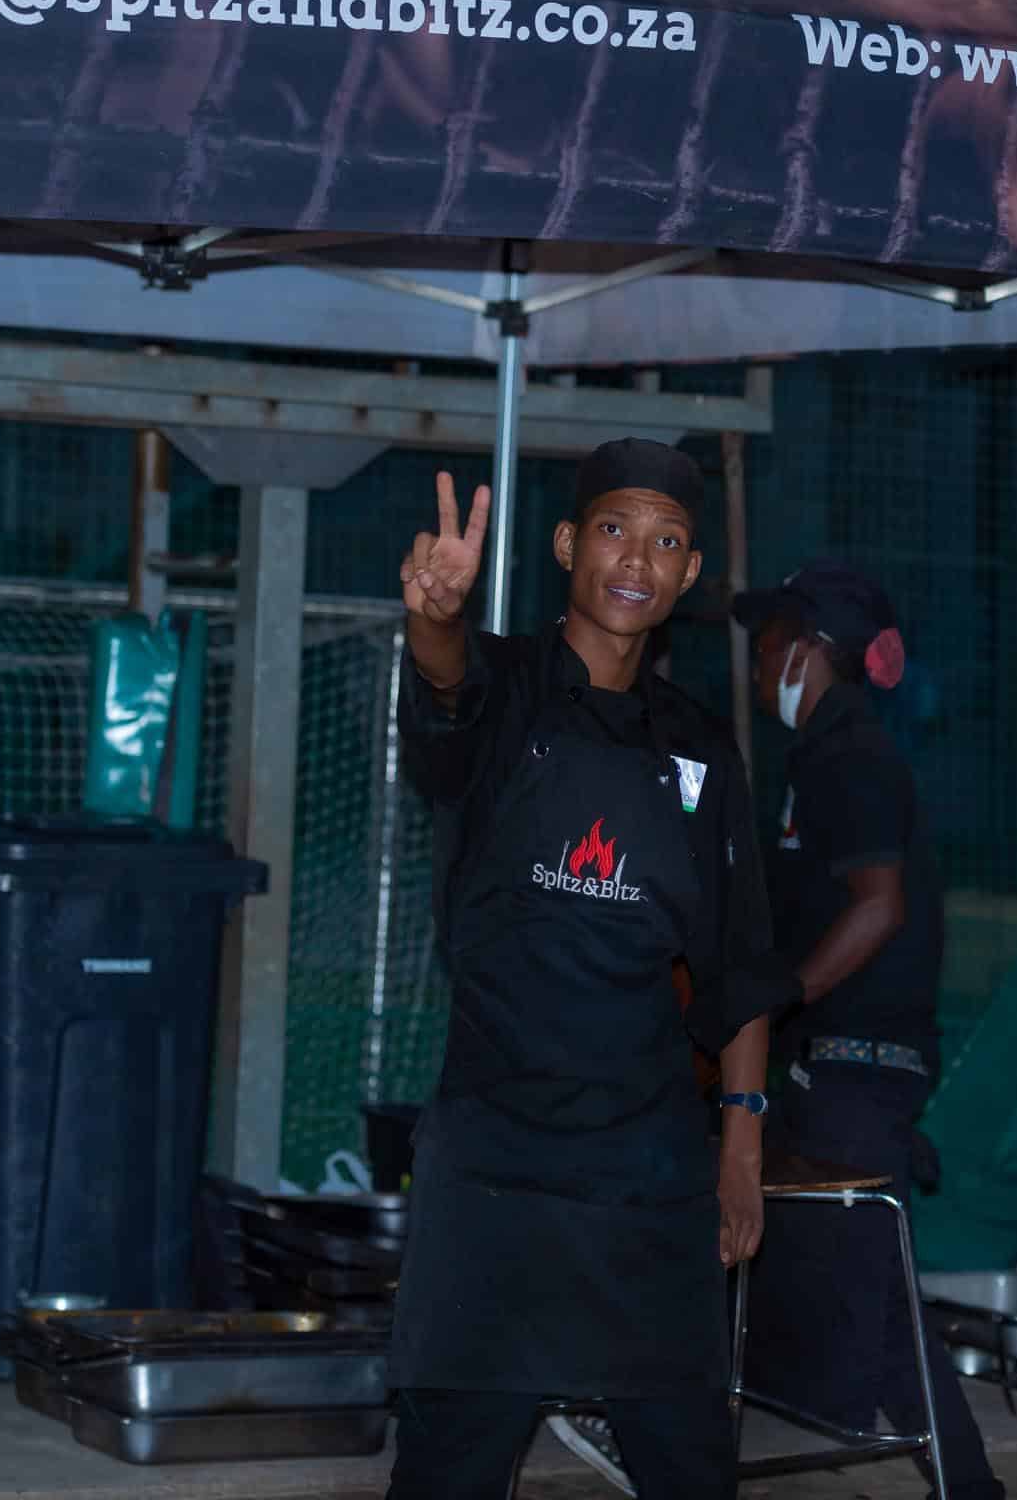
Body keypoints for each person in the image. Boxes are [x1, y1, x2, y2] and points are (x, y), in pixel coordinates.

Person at [387, 439, 798, 1500]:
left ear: (689, 573)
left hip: (645, 1171)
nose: (635, 559)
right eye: (614, 529)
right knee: (448, 1469)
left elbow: (739, 964)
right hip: (495, 1160)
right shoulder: (504, 688)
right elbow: (444, 683)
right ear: (569, 544)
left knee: (688, 1464)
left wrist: (740, 1145)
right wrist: (434, 618)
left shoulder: (702, 748)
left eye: (665, 541)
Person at [732, 561, 1005, 1500]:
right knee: (846, 1294)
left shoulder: (849, 757)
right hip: (835, 1068)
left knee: (879, 1309)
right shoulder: (822, 756)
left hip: (859, 1070)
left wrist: (779, 1000)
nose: (758, 665)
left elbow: (879, 906)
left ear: (810, 650)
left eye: (769, 645)